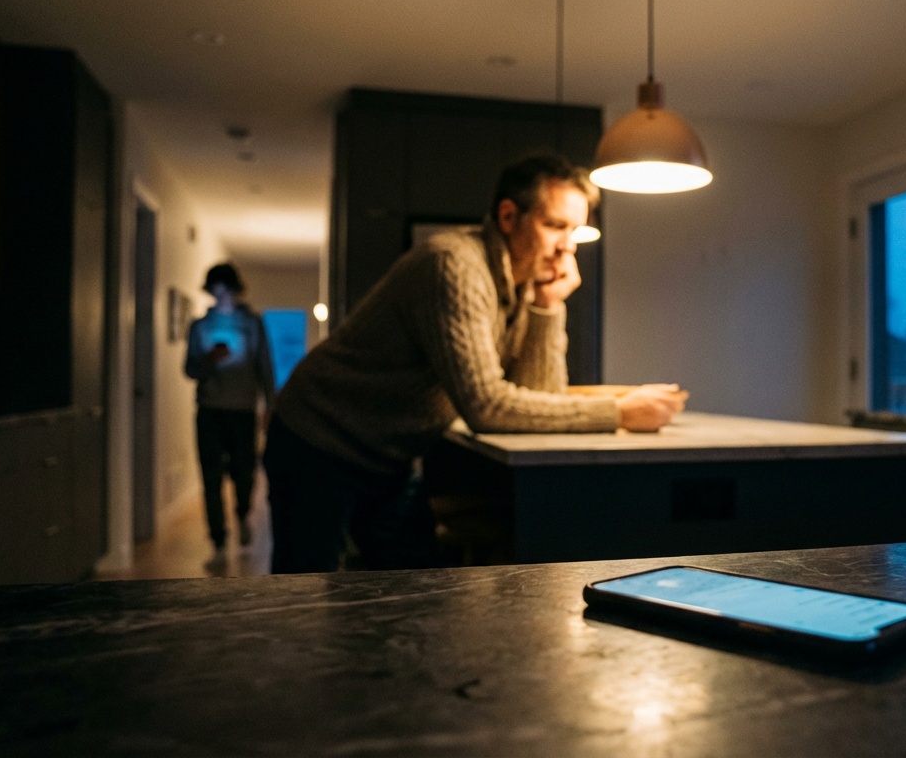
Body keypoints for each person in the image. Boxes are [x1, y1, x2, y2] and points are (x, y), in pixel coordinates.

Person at [264, 155, 687, 574]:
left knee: (416, 590)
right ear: (508, 216)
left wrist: (547, 305)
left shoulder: (520, 285)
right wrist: (618, 413)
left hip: (386, 455)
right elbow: (487, 406)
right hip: (318, 437)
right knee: (306, 591)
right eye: (556, 225)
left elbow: (538, 396)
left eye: (575, 230)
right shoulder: (455, 264)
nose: (569, 245)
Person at [184, 263, 276, 568]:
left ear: (235, 289)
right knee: (211, 477)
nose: (221, 294)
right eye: (215, 289)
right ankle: (218, 539)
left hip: (243, 411)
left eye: (226, 288)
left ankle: (242, 514)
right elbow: (190, 369)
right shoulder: (199, 326)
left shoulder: (252, 323)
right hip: (210, 411)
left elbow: (264, 366)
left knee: (244, 472)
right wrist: (210, 359)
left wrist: (270, 406)